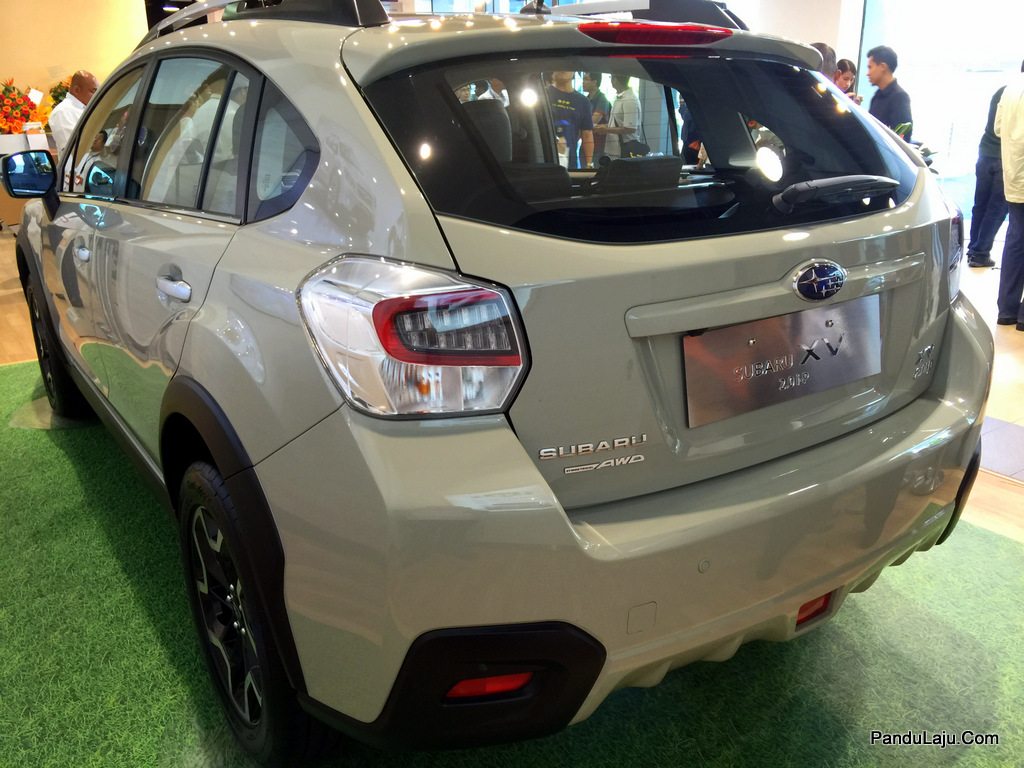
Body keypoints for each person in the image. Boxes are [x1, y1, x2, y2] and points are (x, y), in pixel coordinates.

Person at [967, 81, 1011, 268]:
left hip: (985, 154)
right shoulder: (1020, 95)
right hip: (1005, 158)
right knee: (997, 209)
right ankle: (980, 253)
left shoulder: (1002, 91)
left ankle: (973, 249)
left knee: (980, 205)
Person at [994, 61, 1024, 330]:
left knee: (1015, 241)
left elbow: (998, 129)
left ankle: (1007, 308)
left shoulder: (1010, 90)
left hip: (1014, 177)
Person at [546, 71, 593, 169]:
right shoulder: (542, 95)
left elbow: (587, 135)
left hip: (570, 165)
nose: (563, 69)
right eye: (559, 65)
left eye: (567, 66)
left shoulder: (583, 101)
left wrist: (589, 165)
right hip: (544, 160)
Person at [48, 70, 99, 159]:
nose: (96, 96)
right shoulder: (63, 112)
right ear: (76, 90)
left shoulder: (85, 108)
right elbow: (72, 150)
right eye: (93, 91)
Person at [866, 45, 912, 140]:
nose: (868, 73)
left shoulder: (899, 97)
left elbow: (903, 137)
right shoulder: (877, 95)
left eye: (870, 67)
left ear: (883, 67)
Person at [595, 74, 641, 160]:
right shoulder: (620, 97)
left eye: (611, 77)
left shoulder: (630, 100)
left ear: (615, 79)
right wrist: (604, 126)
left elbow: (630, 128)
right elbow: (617, 123)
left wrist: (606, 130)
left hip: (623, 151)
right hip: (614, 150)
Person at [582, 72, 611, 161]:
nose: (583, 82)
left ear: (594, 82)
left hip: (597, 146)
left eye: (586, 79)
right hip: (585, 143)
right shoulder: (585, 100)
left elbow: (592, 122)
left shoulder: (602, 100)